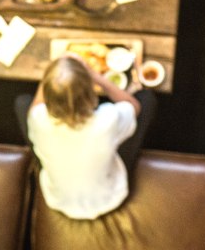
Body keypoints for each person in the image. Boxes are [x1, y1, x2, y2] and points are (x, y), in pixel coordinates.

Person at [14, 54, 157, 220]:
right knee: (147, 99)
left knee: (22, 103)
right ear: (90, 90)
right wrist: (97, 77)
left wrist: (51, 76)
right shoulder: (108, 118)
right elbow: (134, 106)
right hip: (110, 199)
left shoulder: (38, 118)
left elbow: (34, 110)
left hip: (58, 200)